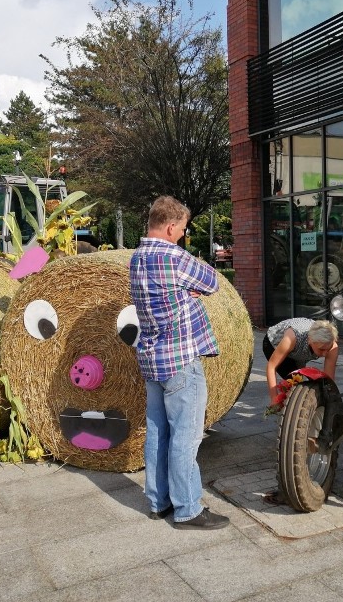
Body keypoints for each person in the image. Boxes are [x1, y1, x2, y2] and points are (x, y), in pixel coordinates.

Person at [129, 195, 229, 530]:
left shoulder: (138, 257)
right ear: (171, 227)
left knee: (157, 433)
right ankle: (188, 509)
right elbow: (213, 281)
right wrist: (189, 291)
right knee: (186, 438)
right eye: (183, 229)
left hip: (151, 359)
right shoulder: (173, 256)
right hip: (181, 360)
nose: (183, 235)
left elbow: (164, 294)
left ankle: (159, 502)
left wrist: (183, 294)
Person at [263, 318, 339, 406]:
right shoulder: (291, 338)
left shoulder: (332, 347)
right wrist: (274, 398)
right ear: (310, 340)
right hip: (273, 344)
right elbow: (271, 366)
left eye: (327, 349)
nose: (325, 353)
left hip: (298, 350)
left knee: (301, 381)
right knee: (294, 383)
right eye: (321, 349)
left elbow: (329, 380)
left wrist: (329, 401)